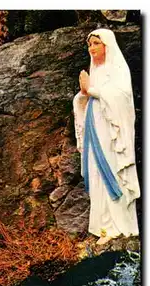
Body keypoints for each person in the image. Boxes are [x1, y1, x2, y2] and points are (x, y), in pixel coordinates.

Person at [73, 28, 140, 246]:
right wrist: (82, 95)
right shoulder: (96, 71)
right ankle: (104, 226)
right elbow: (89, 97)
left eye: (96, 43)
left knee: (111, 169)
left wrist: (91, 90)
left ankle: (119, 226)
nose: (91, 48)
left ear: (107, 45)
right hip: (95, 130)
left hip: (111, 135)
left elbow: (122, 98)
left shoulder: (118, 69)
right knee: (96, 173)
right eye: (89, 44)